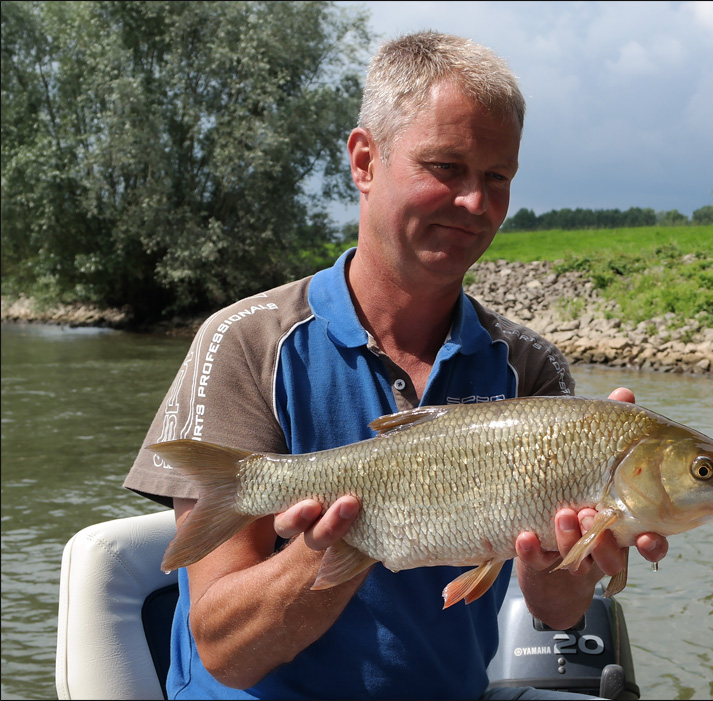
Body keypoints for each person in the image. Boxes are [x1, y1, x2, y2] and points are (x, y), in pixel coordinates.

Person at [124, 31, 667, 700]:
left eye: (497, 177)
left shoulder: (530, 366)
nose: (475, 202)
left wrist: (571, 570)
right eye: (445, 167)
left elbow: (554, 611)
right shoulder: (245, 342)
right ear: (364, 160)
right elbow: (225, 652)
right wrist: (344, 541)